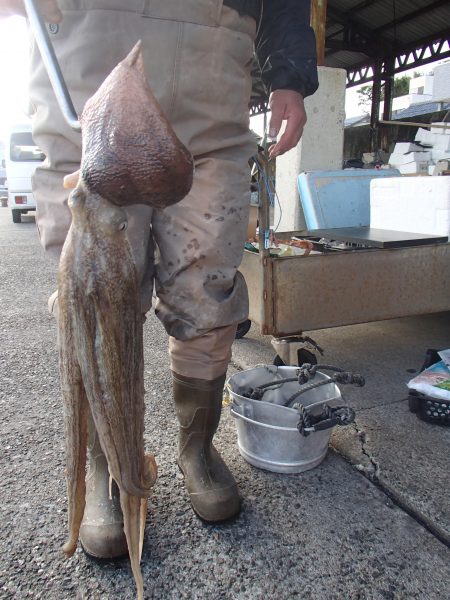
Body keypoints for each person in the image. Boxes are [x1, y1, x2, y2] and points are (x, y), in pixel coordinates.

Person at [0, 0, 318, 559]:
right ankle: (109, 465)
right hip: (89, 46)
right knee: (93, 289)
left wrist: (289, 72)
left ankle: (195, 447)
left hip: (213, 61)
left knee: (208, 284)